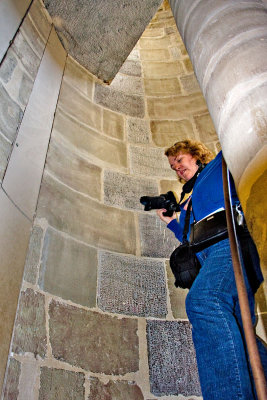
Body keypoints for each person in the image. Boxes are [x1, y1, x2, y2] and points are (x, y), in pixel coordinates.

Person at [156, 139, 266, 400]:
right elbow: (190, 238)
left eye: (180, 160)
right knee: (240, 332)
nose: (177, 169)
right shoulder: (189, 198)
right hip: (210, 256)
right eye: (173, 167)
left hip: (229, 244)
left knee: (205, 301)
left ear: (196, 155)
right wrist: (173, 221)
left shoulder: (218, 165)